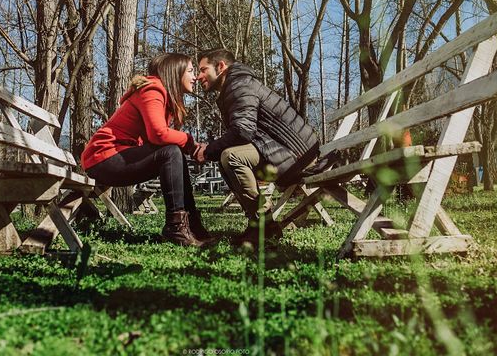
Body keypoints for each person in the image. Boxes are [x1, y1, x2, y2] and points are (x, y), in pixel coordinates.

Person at [81, 53, 214, 247]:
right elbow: (158, 134)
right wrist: (190, 143)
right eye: (191, 71)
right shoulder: (153, 90)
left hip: (115, 157)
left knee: (173, 152)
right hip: (104, 158)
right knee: (171, 151)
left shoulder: (161, 94)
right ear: (175, 72)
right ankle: (175, 228)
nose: (194, 77)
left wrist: (187, 146)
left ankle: (191, 224)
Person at [194, 48, 319, 246]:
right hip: (286, 151)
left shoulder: (239, 86)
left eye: (203, 69)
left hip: (298, 155)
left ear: (220, 67)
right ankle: (260, 224)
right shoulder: (238, 84)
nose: (198, 76)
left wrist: (208, 150)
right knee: (225, 156)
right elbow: (245, 131)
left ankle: (264, 226)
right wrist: (211, 149)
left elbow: (243, 131)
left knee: (230, 156)